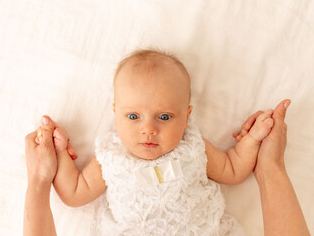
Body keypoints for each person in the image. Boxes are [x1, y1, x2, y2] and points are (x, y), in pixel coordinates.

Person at [24, 51, 310, 235]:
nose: (148, 129)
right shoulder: (111, 158)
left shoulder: (194, 147)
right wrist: (59, 152)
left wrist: (254, 140)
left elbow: (234, 169)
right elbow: (74, 193)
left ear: (186, 117)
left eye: (164, 116)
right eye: (133, 116)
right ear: (115, 114)